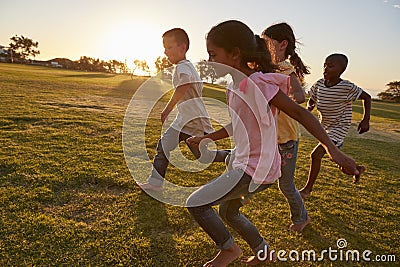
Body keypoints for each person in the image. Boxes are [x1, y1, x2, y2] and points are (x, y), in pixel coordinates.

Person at [185, 20, 361, 267]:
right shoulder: (235, 86)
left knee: (196, 202)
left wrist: (333, 151)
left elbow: (301, 113)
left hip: (255, 169)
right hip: (247, 164)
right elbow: (238, 124)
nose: (209, 60)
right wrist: (207, 137)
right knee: (228, 212)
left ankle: (228, 250)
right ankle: (264, 252)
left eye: (213, 54)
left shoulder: (257, 83)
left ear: (235, 53)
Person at [138, 28, 228, 191]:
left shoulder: (183, 67)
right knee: (173, 148)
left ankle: (232, 155)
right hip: (186, 120)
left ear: (183, 47)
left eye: (170, 47)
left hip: (193, 121)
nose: (166, 52)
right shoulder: (188, 66)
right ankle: (155, 183)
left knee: (197, 156)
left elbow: (185, 84)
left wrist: (167, 109)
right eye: (165, 48)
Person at [299, 53, 371, 199]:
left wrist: (365, 120)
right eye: (325, 65)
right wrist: (310, 106)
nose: (325, 69)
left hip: (339, 127)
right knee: (334, 158)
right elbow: (312, 98)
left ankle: (307, 190)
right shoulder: (319, 84)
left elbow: (367, 97)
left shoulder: (346, 87)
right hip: (324, 127)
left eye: (330, 66)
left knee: (316, 155)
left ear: (341, 70)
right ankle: (356, 170)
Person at [261, 22, 311, 232]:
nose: (263, 47)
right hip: (272, 136)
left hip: (286, 138)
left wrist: (281, 100)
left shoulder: (285, 69)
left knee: (286, 184)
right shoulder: (267, 68)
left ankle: (301, 218)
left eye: (267, 43)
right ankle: (240, 199)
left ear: (282, 44)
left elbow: (300, 96)